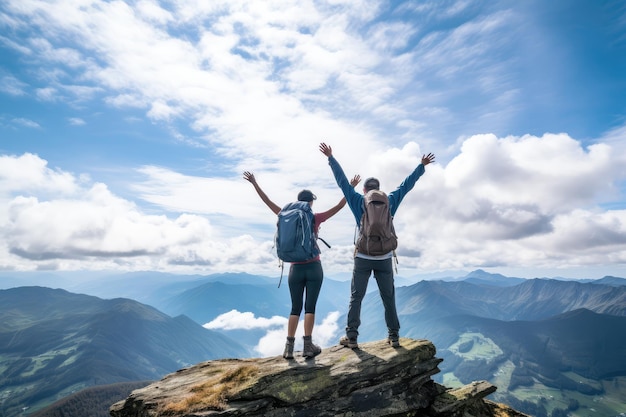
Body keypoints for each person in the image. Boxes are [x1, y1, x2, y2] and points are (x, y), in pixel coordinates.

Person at [318, 142, 435, 349]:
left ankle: (352, 338)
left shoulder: (357, 200)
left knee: (356, 297)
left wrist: (331, 158)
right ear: (379, 190)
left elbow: (342, 182)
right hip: (385, 258)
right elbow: (406, 186)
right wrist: (421, 166)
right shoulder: (390, 200)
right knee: (388, 297)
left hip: (363, 256)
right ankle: (394, 336)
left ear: (364, 190)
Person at [243, 171, 361, 359]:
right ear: (310, 203)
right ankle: (307, 346)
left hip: (295, 269)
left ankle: (288, 348)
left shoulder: (284, 213)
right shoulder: (315, 217)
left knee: (294, 307)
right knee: (310, 307)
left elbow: (267, 201)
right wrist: (351, 187)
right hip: (314, 267)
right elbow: (339, 206)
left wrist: (255, 183)